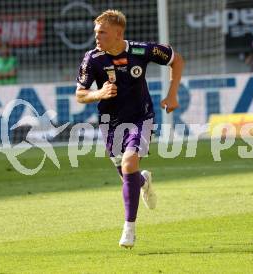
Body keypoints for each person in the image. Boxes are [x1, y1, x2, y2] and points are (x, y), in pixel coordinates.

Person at [75, 10, 184, 248]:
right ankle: (143, 182)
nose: (97, 37)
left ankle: (129, 229)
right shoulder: (92, 58)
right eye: (96, 32)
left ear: (118, 33)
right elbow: (80, 95)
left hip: (140, 118)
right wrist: (99, 94)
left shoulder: (141, 50)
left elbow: (176, 59)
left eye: (102, 32)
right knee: (128, 176)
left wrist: (172, 93)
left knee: (128, 164)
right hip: (110, 123)